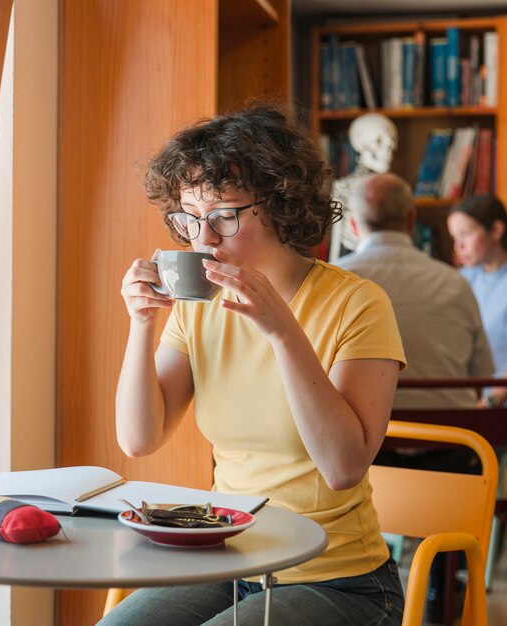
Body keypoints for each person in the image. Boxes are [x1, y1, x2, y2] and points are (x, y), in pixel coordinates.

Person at [101, 103, 407, 626]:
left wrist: (282, 329)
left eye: (223, 215)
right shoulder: (199, 310)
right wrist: (142, 324)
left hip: (337, 578)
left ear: (280, 204)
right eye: (189, 219)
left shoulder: (358, 303)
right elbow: (138, 439)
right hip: (227, 556)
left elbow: (343, 466)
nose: (203, 239)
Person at [335, 173, 494, 409]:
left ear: (354, 226)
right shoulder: (456, 283)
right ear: (411, 220)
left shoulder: (333, 282)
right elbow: (482, 372)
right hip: (456, 436)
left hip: (369, 439)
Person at [447, 195, 507, 407]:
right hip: (470, 401)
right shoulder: (462, 280)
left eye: (465, 234)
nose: (458, 246)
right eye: (454, 237)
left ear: (496, 230)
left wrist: (490, 401)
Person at [329, 113, 398, 261]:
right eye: (379, 141)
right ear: (361, 145)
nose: (389, 147)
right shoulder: (342, 188)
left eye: (392, 140)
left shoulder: (395, 188)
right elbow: (336, 245)